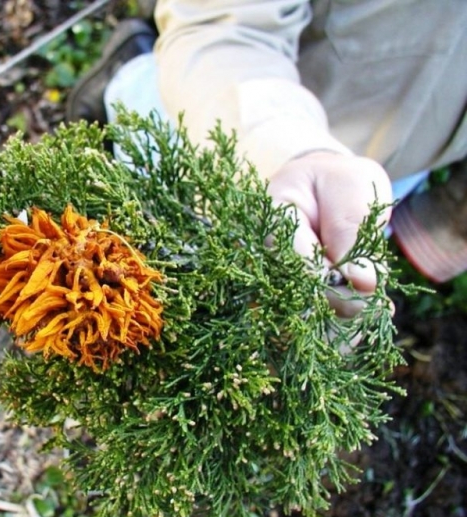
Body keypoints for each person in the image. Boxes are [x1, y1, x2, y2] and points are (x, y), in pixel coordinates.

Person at [67, 1, 467, 310]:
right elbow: (223, 21)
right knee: (151, 209)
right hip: (241, 115)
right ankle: (122, 80)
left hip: (371, 187)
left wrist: (447, 223)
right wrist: (284, 147)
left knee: (233, 287)